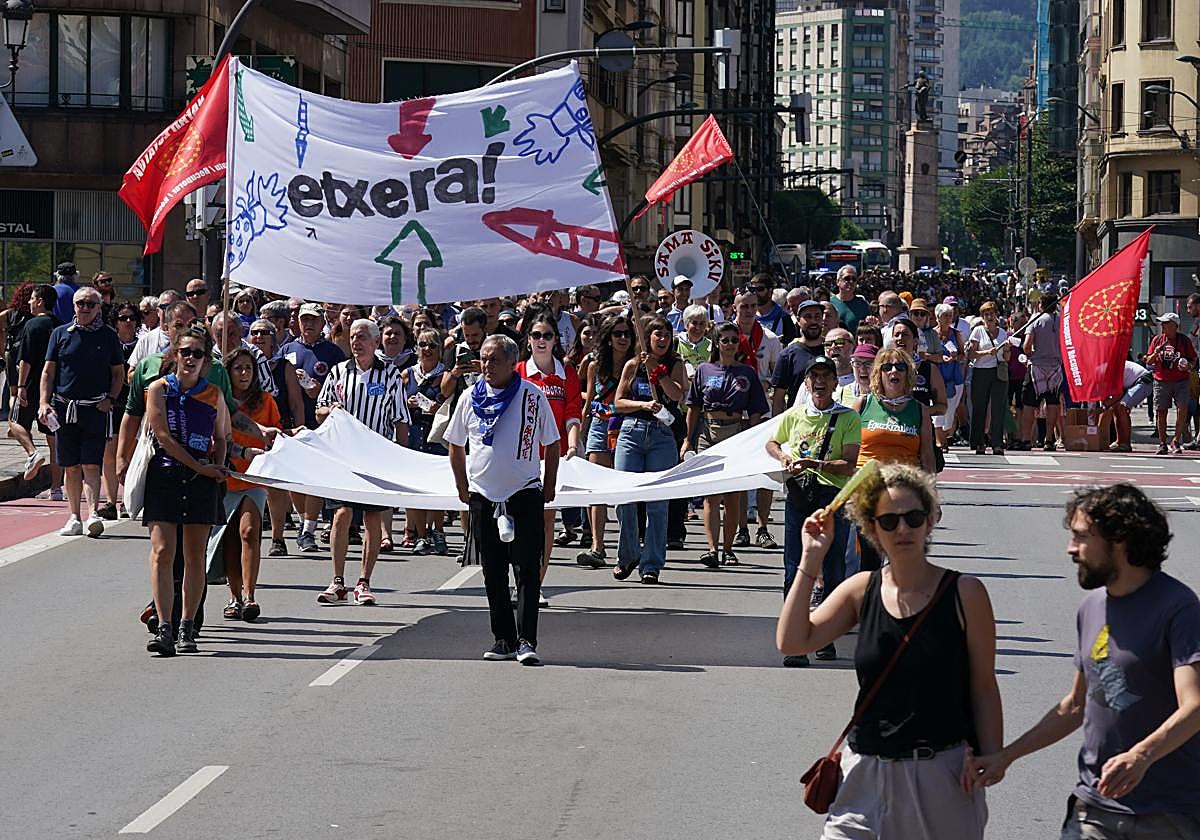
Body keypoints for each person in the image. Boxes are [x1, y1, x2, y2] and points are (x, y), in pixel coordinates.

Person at [777, 463, 1001, 838]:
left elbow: (983, 685)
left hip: (938, 775)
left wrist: (990, 755)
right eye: (889, 521)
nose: (903, 529)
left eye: (913, 518)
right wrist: (811, 559)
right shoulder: (861, 589)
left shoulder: (966, 594)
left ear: (930, 521)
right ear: (872, 528)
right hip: (863, 773)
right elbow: (793, 641)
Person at [966, 484, 1200, 839]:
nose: (1070, 549)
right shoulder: (1092, 607)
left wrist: (1140, 756)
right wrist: (1007, 755)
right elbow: (1076, 706)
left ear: (1118, 540)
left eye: (1080, 537)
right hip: (1094, 807)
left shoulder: (1179, 609)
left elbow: (1195, 706)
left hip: (1166, 814)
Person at [446, 335, 560, 665]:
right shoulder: (470, 397)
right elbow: (455, 443)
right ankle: (503, 639)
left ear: (513, 363)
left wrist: (549, 484)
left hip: (523, 492)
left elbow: (551, 443)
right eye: (483, 359)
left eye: (494, 360)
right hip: (483, 494)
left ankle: (526, 640)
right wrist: (461, 485)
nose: (487, 366)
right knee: (492, 571)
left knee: (526, 568)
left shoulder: (531, 396)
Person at [143, 326, 231, 656]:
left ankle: (187, 625)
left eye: (198, 353)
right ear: (175, 355)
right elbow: (163, 437)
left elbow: (223, 435)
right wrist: (201, 468)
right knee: (163, 551)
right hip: (166, 475)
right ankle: (164, 624)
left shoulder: (214, 395)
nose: (191, 358)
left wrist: (217, 466)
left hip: (202, 481)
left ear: (206, 360)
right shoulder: (158, 389)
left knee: (195, 555)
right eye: (186, 352)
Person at [768, 355, 861, 666]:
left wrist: (816, 464)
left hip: (832, 498)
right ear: (806, 383)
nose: (819, 381)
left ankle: (826, 637)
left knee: (834, 568)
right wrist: (782, 457)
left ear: (835, 382)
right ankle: (795, 643)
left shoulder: (847, 418)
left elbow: (849, 465)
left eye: (825, 376)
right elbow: (772, 442)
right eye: (814, 376)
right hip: (798, 495)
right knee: (794, 566)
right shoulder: (794, 415)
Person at [314, 319, 411, 607]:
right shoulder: (339, 372)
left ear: (375, 341)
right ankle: (337, 580)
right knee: (341, 514)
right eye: (353, 336)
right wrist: (331, 408)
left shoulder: (390, 375)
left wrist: (401, 457)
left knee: (371, 517)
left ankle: (364, 581)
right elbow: (319, 410)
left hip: (375, 456)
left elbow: (400, 419)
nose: (356, 342)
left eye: (363, 337)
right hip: (343, 455)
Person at [39, 287, 125, 538]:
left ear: (99, 307)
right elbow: (48, 372)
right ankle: (74, 516)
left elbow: (118, 373)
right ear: (74, 306)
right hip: (64, 409)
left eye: (90, 304)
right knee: (70, 465)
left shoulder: (108, 336)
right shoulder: (60, 334)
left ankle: (93, 514)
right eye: (80, 303)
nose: (84, 308)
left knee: (91, 464)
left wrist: (110, 398)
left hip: (94, 409)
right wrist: (44, 402)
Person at [682, 321, 769, 568]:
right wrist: (688, 439)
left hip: (736, 435)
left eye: (734, 340)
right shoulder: (704, 370)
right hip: (708, 433)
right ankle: (711, 548)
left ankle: (728, 549)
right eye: (725, 340)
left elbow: (755, 411)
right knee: (711, 495)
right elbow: (694, 407)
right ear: (717, 343)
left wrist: (754, 443)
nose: (730, 344)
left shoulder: (747, 373)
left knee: (733, 496)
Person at [612, 316, 687, 584]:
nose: (662, 339)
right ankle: (628, 554)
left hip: (662, 436)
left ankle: (652, 563)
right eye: (657, 335)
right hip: (632, 432)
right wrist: (642, 406)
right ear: (647, 337)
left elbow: (678, 395)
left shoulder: (676, 365)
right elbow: (619, 403)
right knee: (625, 499)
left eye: (666, 334)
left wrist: (659, 371)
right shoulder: (633, 365)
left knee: (657, 504)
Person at [850, 346, 937, 573]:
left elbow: (927, 457)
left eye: (900, 367)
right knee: (867, 559)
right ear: (878, 373)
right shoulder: (862, 404)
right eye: (886, 367)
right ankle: (868, 601)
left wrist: (932, 498)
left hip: (904, 490)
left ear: (908, 374)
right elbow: (847, 450)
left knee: (900, 556)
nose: (893, 372)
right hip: (866, 488)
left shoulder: (919, 411)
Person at [517, 312, 582, 605]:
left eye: (547, 335)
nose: (541, 341)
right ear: (528, 340)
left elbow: (571, 413)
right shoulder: (517, 370)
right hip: (520, 459)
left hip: (553, 458)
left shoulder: (567, 373)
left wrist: (571, 445)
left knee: (546, 522)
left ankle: (534, 585)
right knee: (519, 523)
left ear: (556, 339)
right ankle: (520, 578)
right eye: (536, 335)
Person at [208, 347, 274, 622]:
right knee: (230, 537)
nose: (244, 373)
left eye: (249, 368)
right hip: (226, 476)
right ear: (227, 372)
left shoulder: (266, 402)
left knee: (249, 531)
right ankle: (234, 596)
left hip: (255, 478)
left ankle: (250, 596)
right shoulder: (216, 399)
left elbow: (275, 437)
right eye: (238, 368)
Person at [279, 302, 346, 551]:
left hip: (321, 425)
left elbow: (342, 389)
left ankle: (308, 530)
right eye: (304, 319)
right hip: (293, 424)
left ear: (322, 323)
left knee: (315, 478)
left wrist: (318, 393)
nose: (308, 324)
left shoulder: (333, 352)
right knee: (295, 480)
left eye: (313, 320)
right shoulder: (287, 349)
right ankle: (302, 520)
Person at [576, 315, 634, 568]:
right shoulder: (595, 365)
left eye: (627, 334)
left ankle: (627, 544)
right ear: (608, 338)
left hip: (627, 425)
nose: (623, 338)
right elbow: (588, 400)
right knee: (596, 487)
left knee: (622, 488)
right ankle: (597, 546)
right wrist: (580, 428)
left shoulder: (635, 365)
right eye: (617, 334)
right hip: (601, 424)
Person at [733, 291, 782, 549]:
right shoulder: (726, 336)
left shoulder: (770, 339)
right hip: (735, 414)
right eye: (745, 306)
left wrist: (765, 385)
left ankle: (762, 527)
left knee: (765, 473)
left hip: (761, 414)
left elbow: (778, 377)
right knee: (741, 474)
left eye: (754, 306)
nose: (750, 310)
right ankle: (742, 527)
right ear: (735, 307)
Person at [400, 327, 449, 555]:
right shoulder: (407, 374)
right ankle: (420, 535)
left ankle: (438, 532)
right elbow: (395, 404)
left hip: (436, 435)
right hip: (413, 433)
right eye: (422, 345)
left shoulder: (445, 375)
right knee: (416, 488)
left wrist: (433, 406)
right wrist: (406, 403)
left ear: (440, 349)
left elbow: (448, 403)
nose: (427, 350)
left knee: (437, 488)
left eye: (432, 345)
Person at [96, 301, 141, 519]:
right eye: (123, 318)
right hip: (112, 404)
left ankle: (127, 500)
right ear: (115, 322)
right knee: (109, 453)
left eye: (132, 317)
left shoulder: (142, 344)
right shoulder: (107, 343)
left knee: (130, 452)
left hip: (134, 406)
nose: (128, 322)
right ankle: (111, 502)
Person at [11, 285, 58, 487]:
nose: (29, 302)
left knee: (15, 422)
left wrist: (20, 386)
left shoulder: (32, 325)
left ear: (40, 301)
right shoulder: (60, 326)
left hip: (31, 385)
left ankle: (33, 453)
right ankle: (56, 488)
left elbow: (25, 359)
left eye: (32, 299)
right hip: (54, 387)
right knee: (53, 440)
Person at [1145, 312, 1196, 454]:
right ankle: (1162, 443)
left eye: (1166, 323)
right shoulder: (1157, 340)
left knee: (1182, 409)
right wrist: (1155, 353)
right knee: (1161, 412)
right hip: (1161, 380)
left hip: (1181, 380)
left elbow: (1193, 359)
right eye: (1162, 323)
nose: (1163, 326)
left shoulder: (1184, 341)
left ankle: (1176, 440)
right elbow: (1148, 362)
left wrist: (1188, 366)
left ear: (1175, 326)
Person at [1019, 294, 1065, 452]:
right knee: (1053, 403)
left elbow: (1026, 345)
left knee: (1029, 403)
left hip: (1037, 366)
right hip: (1056, 367)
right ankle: (1049, 438)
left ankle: (1026, 439)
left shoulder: (1035, 319)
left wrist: (1031, 355)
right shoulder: (1061, 320)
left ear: (1041, 305)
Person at [967, 301, 1010, 456]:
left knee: (999, 408)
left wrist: (1006, 350)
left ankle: (997, 443)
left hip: (998, 372)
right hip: (981, 372)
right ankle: (979, 442)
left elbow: (1006, 358)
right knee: (980, 407)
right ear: (982, 316)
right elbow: (971, 355)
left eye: (992, 313)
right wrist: (986, 353)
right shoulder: (978, 331)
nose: (990, 317)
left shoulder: (1003, 333)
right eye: (986, 314)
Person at [771, 298, 827, 414]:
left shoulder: (831, 349)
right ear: (798, 320)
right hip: (798, 420)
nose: (813, 321)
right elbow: (779, 397)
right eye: (808, 317)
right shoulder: (788, 355)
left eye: (817, 316)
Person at [750, 273, 798, 344]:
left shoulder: (784, 317)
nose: (755, 293)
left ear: (770, 290)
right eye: (752, 289)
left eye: (760, 289)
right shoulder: (747, 315)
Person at [831, 265, 869, 334]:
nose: (851, 281)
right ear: (838, 282)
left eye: (854, 279)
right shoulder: (830, 303)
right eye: (847, 278)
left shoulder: (863, 304)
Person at [675, 305, 712, 375]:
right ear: (686, 324)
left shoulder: (711, 345)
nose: (698, 327)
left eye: (702, 323)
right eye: (694, 323)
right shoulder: (676, 343)